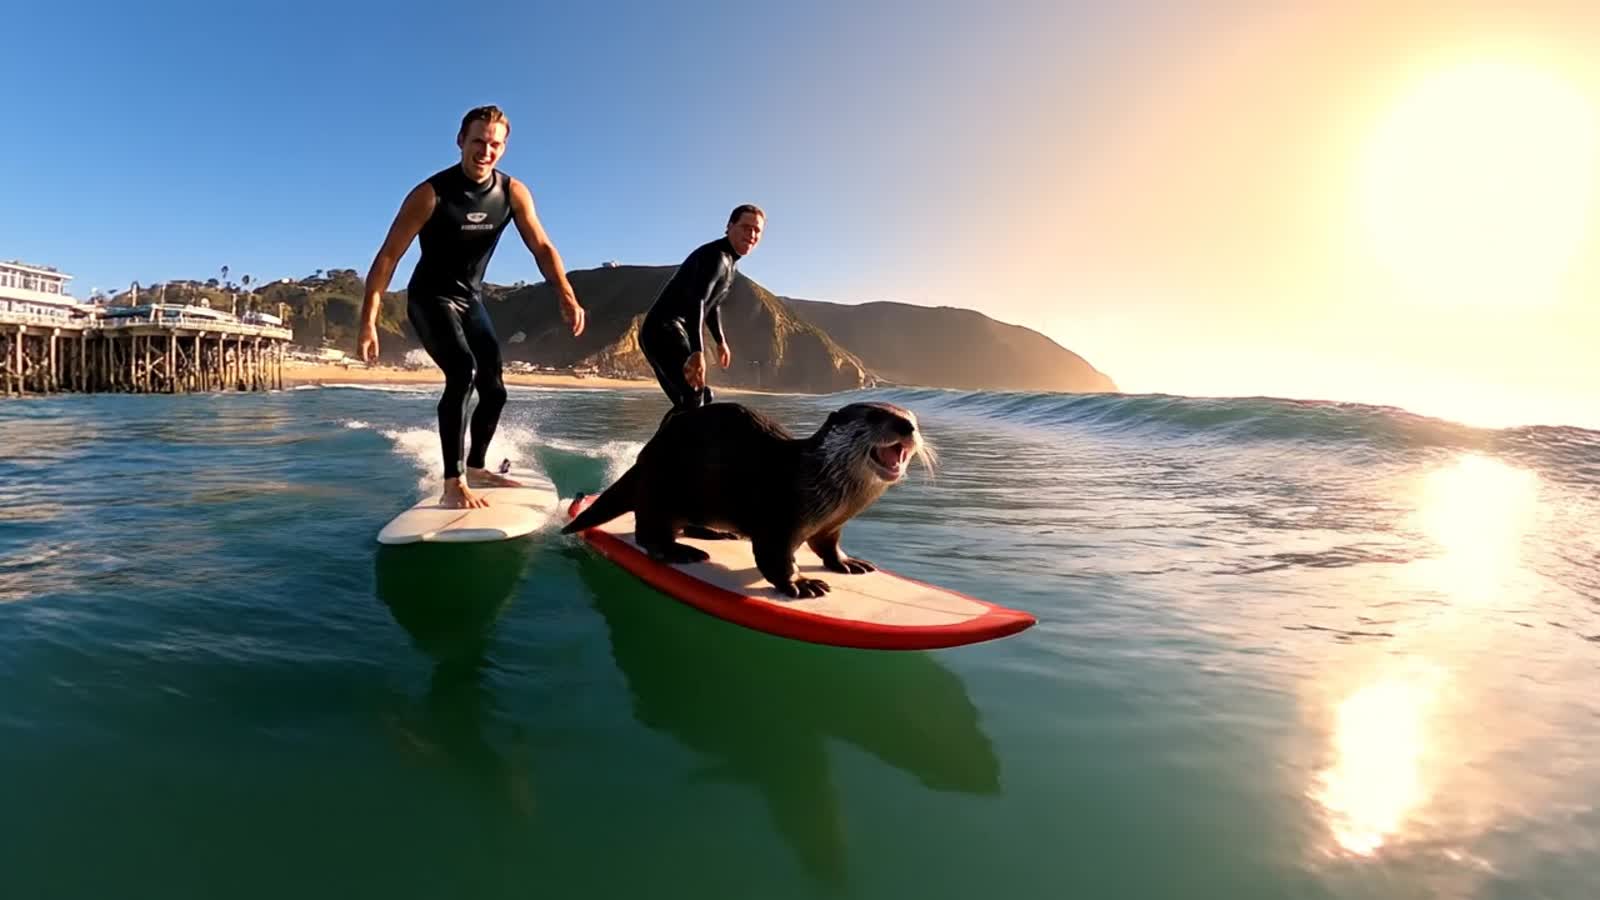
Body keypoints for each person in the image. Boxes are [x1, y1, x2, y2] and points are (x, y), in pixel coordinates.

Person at [358, 105, 586, 509]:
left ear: (504, 148)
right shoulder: (430, 194)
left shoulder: (512, 192)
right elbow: (388, 257)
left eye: (495, 144)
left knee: (495, 389)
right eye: (478, 140)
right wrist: (369, 321)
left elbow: (542, 247)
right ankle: (453, 482)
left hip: (471, 299)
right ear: (461, 140)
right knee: (462, 371)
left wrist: (566, 293)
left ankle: (478, 467)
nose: (486, 150)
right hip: (430, 298)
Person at [640, 204, 764, 423]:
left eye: (757, 230)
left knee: (698, 397)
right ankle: (664, 453)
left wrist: (720, 341)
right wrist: (697, 352)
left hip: (662, 331)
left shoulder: (730, 264)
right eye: (746, 227)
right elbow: (696, 301)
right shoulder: (716, 256)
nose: (751, 234)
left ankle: (661, 452)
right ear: (729, 226)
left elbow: (712, 305)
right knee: (694, 395)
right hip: (664, 329)